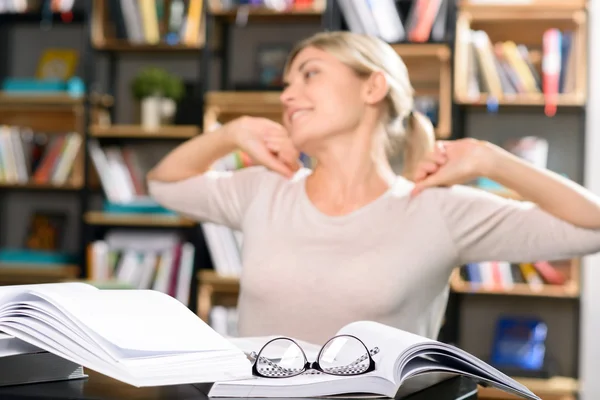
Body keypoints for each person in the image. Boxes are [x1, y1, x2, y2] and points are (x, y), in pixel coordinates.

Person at [146, 31, 600, 345]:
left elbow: (592, 226)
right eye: (285, 83)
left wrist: (490, 159)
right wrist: (232, 133)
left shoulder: (435, 211)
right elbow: (165, 185)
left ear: (373, 87)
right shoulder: (266, 190)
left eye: (309, 74)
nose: (286, 95)